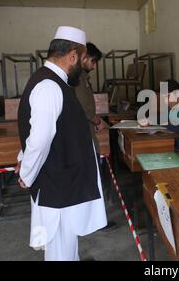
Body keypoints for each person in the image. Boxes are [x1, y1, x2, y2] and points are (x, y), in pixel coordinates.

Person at [15, 26, 107, 261]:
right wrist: (27, 172)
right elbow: (40, 138)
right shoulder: (49, 86)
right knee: (60, 251)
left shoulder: (56, 82)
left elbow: (42, 129)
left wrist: (23, 160)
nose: (84, 64)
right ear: (73, 56)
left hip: (63, 184)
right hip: (58, 186)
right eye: (84, 58)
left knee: (66, 247)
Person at [74, 42, 116, 232]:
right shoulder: (78, 78)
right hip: (84, 134)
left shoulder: (81, 76)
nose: (94, 65)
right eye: (93, 61)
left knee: (91, 177)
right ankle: (94, 222)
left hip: (85, 131)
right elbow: (85, 106)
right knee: (91, 178)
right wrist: (98, 121)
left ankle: (92, 220)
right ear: (83, 58)